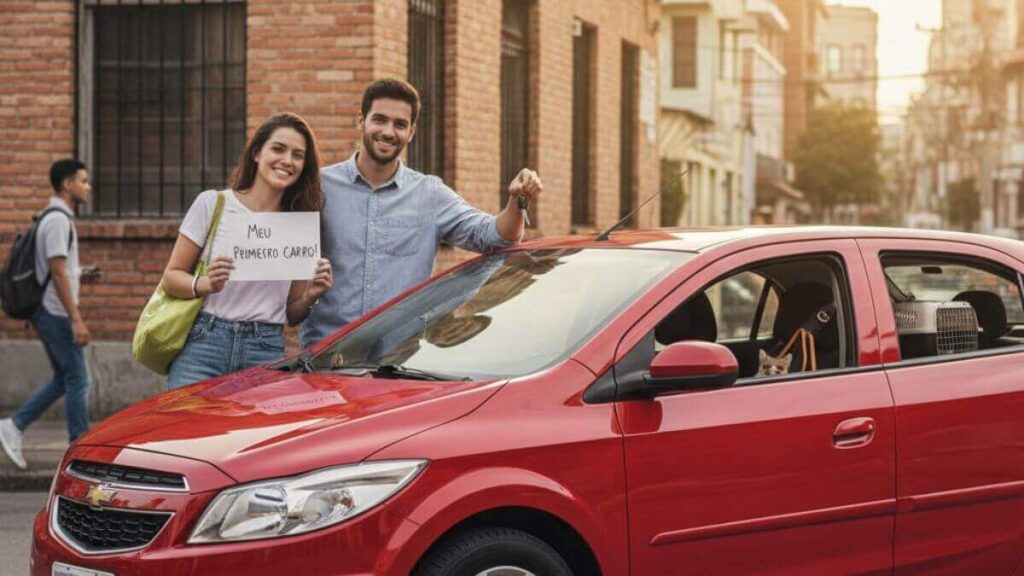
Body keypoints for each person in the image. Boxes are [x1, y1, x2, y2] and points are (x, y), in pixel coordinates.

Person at [299, 78, 543, 348]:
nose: (389, 131)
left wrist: (516, 201)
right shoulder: (319, 188)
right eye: (379, 120)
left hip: (397, 359)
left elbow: (494, 237)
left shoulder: (430, 194)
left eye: (400, 124)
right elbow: (277, 240)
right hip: (325, 353)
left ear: (411, 132)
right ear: (361, 121)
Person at [162, 112, 333, 390]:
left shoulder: (298, 224)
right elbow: (172, 277)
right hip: (204, 342)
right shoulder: (213, 204)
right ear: (256, 153)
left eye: (298, 155)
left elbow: (292, 314)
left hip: (263, 348)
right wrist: (205, 283)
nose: (287, 161)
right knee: (188, 431)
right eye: (278, 149)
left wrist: (312, 296)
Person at [0, 160, 94, 470]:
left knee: (62, 378)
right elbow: (55, 271)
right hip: (55, 312)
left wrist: (82, 273)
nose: (87, 186)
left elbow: (61, 268)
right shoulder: (57, 221)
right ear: (67, 184)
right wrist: (76, 318)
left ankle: (13, 427)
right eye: (83, 181)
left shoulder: (55, 218)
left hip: (50, 310)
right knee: (79, 379)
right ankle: (79, 450)